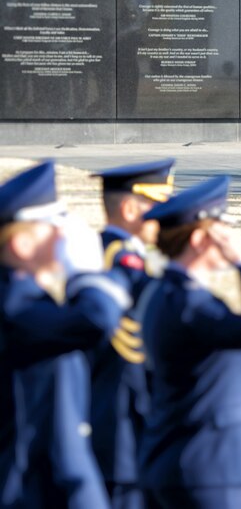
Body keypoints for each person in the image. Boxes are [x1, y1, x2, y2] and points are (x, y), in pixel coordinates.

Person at [139, 176, 241, 508]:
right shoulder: (190, 303)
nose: (232, 240)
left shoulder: (168, 293)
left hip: (184, 458)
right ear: (201, 238)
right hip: (210, 469)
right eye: (224, 231)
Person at [1, 162, 128, 508]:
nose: (63, 237)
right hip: (32, 491)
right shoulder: (15, 309)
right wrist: (85, 274)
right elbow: (97, 317)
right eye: (52, 227)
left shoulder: (27, 302)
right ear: (23, 245)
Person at [89, 159, 176, 509]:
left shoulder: (123, 256)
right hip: (122, 426)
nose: (165, 215)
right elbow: (130, 350)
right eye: (157, 204)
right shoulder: (122, 261)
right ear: (128, 208)